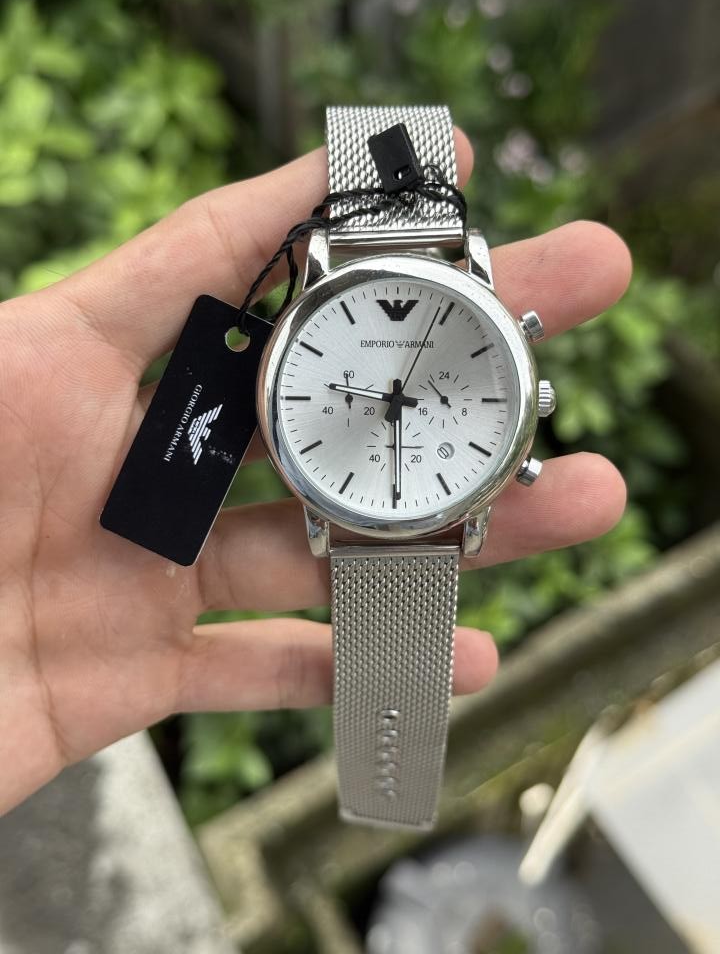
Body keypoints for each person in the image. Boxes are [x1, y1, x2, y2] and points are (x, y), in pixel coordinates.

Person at [0, 130, 630, 817]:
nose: (395, 401)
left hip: (418, 504)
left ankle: (387, 797)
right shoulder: (336, 271)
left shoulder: (417, 281)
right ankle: (385, 799)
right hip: (357, 499)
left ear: (530, 401)